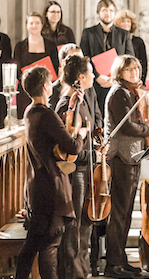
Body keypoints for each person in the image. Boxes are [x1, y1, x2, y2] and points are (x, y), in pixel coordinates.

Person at [15, 66, 83, 279]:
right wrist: (82, 134)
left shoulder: (30, 111)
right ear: (46, 86)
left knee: (35, 242)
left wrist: (72, 108)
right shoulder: (46, 115)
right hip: (51, 186)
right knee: (49, 245)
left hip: (36, 185)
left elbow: (54, 135)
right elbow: (72, 147)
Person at [104, 55, 149, 278]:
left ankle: (121, 259)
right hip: (121, 158)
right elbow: (127, 127)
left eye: (136, 69)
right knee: (119, 213)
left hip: (132, 157)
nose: (134, 73)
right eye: (128, 70)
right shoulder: (118, 93)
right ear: (119, 72)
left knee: (126, 214)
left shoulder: (132, 93)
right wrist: (148, 130)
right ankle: (113, 264)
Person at [55, 55, 98, 279]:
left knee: (84, 226)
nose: (94, 76)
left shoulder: (80, 99)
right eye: (90, 73)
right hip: (75, 173)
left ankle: (81, 272)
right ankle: (71, 274)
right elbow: (66, 150)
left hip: (84, 170)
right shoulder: (66, 103)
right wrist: (91, 153)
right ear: (80, 77)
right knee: (74, 228)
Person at [80, 0, 134, 113]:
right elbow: (84, 58)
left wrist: (114, 78)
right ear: (98, 13)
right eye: (104, 10)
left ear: (114, 13)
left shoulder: (124, 34)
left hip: (118, 83)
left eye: (110, 10)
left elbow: (129, 58)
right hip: (95, 83)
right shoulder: (88, 33)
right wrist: (97, 76)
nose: (107, 13)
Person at [14, 13, 60, 118]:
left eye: (37, 23)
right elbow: (17, 70)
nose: (34, 26)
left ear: (42, 25)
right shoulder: (20, 46)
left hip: (45, 89)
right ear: (26, 25)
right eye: (31, 23)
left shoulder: (51, 45)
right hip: (26, 90)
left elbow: (55, 67)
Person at [114, 10, 148, 85]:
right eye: (123, 21)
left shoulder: (138, 41)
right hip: (118, 79)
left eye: (128, 21)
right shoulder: (114, 40)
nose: (126, 24)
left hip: (134, 78)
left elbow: (143, 63)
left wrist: (141, 81)